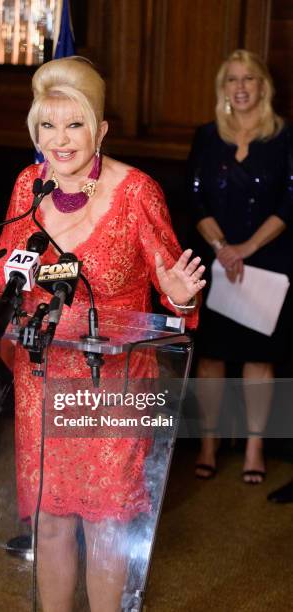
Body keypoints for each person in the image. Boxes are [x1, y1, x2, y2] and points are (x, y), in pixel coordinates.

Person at [0, 57, 205, 612]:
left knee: (106, 522)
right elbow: (3, 275)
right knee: (52, 517)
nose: (60, 140)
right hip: (42, 373)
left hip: (114, 385)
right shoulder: (28, 186)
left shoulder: (136, 193)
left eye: (74, 124)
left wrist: (178, 292)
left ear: (100, 129)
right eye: (47, 126)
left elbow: (174, 292)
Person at [187, 49, 293, 484]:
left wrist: (246, 247)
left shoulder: (285, 137)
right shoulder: (207, 136)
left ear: (264, 86)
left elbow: (291, 201)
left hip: (267, 260)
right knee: (211, 358)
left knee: (258, 359)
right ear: (223, 89)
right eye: (232, 79)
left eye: (249, 78)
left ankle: (254, 446)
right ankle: (209, 443)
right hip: (214, 260)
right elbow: (194, 196)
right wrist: (223, 246)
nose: (242, 86)